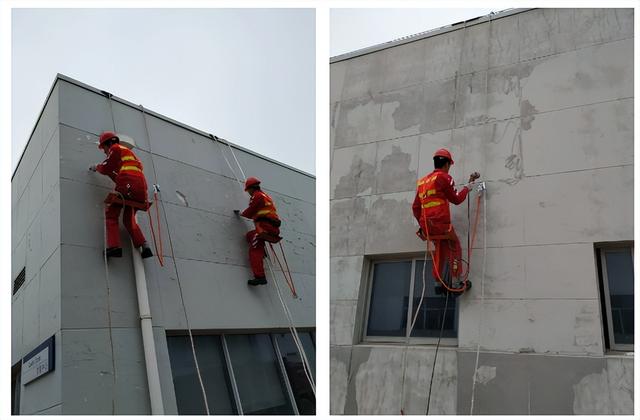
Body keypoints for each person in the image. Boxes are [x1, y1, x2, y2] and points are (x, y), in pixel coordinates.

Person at [412, 148, 479, 288]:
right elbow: (456, 199)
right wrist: (468, 188)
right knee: (454, 246)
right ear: (447, 164)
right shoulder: (444, 177)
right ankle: (455, 281)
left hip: (427, 226)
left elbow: (415, 208)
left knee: (440, 249)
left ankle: (437, 282)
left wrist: (423, 226)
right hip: (440, 223)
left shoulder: (423, 182)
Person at [90, 131, 153, 259]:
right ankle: (144, 246)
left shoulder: (115, 148)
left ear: (108, 144)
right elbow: (115, 174)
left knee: (112, 214)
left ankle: (114, 247)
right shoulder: (128, 155)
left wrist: (96, 167)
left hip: (129, 183)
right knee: (128, 220)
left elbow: (107, 166)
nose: (104, 151)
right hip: (140, 188)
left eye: (104, 148)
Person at [237, 177, 281, 286]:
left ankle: (260, 277)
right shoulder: (265, 196)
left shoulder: (256, 196)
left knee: (254, 250)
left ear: (251, 188)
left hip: (265, 227)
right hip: (270, 227)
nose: (248, 193)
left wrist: (241, 213)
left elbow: (251, 210)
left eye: (248, 191)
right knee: (250, 235)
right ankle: (262, 251)